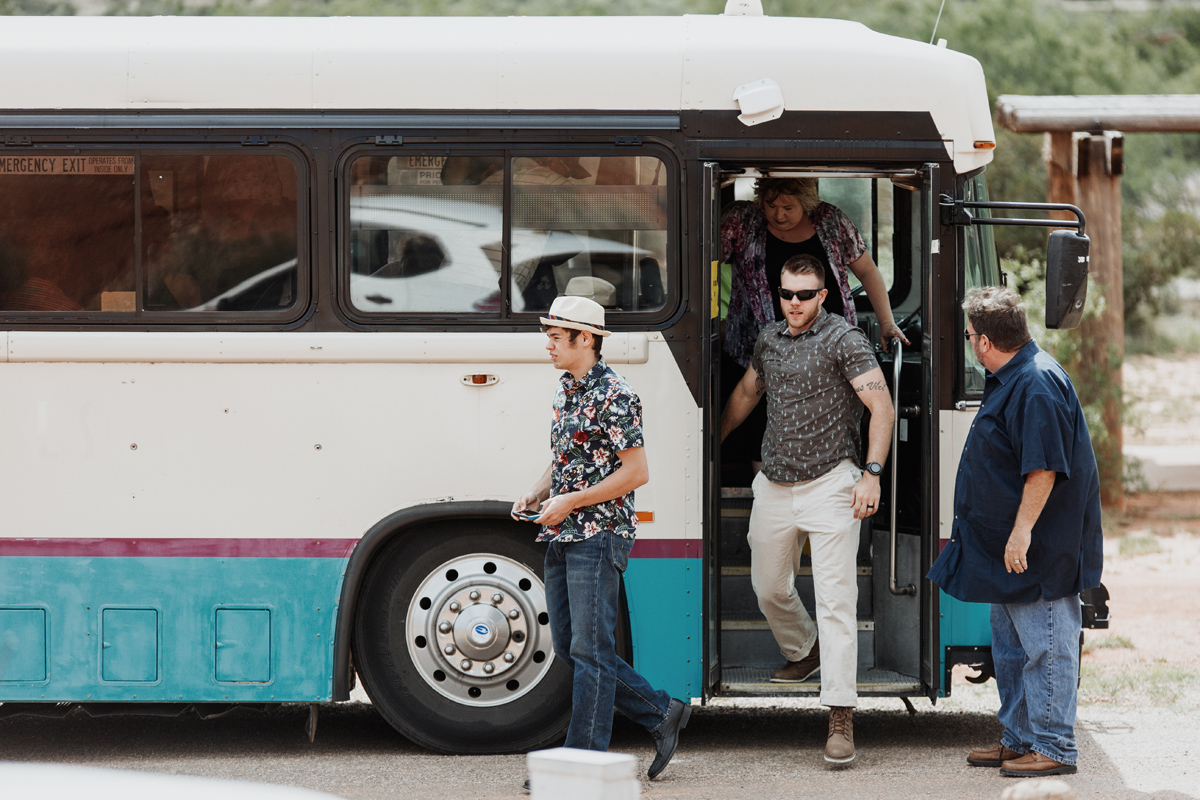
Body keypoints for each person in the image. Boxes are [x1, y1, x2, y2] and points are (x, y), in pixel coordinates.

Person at [720, 254, 895, 765]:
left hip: (832, 484)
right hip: (774, 484)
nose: (793, 303)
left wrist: (872, 474)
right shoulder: (770, 339)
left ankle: (840, 713)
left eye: (804, 295)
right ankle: (805, 650)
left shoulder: (844, 339)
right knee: (768, 587)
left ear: (824, 296)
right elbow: (748, 393)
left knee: (836, 601)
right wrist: (713, 443)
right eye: (786, 294)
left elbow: (880, 408)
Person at [512, 294, 689, 787]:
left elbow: (636, 472)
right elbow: (568, 455)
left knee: (591, 651)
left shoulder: (617, 395)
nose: (547, 345)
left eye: (555, 337)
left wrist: (571, 502)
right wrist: (538, 490)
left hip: (600, 533)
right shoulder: (565, 388)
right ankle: (661, 710)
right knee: (571, 646)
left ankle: (580, 763)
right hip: (564, 531)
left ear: (584, 339)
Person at [927, 286, 1103, 778]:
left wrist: (1021, 533)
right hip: (1007, 548)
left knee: (1046, 644)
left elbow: (1043, 470)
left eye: (967, 336)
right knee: (1010, 648)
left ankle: (1053, 746)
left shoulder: (1037, 384)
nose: (967, 343)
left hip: (1036, 549)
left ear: (983, 341)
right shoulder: (1011, 376)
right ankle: (1020, 737)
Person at [720, 176, 908, 472]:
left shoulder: (831, 220)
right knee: (761, 427)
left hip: (829, 348)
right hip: (759, 346)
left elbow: (869, 272)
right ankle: (768, 496)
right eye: (771, 205)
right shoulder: (743, 221)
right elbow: (701, 258)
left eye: (788, 207)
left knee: (829, 424)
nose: (778, 214)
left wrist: (887, 323)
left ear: (807, 203)